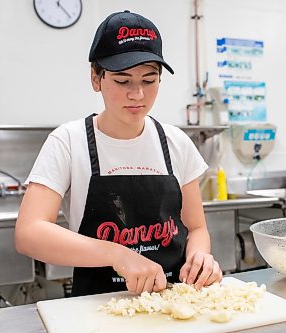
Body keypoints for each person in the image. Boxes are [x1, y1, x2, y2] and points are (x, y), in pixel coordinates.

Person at [15, 10, 223, 297]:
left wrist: (200, 257)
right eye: (123, 81)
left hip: (174, 301)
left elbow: (196, 228)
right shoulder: (68, 141)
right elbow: (29, 232)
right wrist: (118, 254)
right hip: (98, 303)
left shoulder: (176, 142)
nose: (137, 94)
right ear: (96, 78)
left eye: (149, 81)